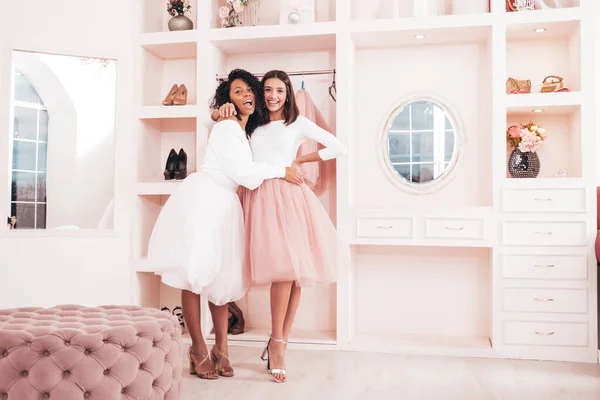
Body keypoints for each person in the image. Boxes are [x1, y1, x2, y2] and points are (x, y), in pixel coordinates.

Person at [147, 69, 303, 380]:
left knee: (220, 281)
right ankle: (198, 349)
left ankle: (222, 347)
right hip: (205, 200)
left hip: (226, 204)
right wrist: (281, 169)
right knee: (195, 277)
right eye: (236, 91)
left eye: (249, 90)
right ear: (226, 99)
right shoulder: (228, 127)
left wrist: (217, 113)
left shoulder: (242, 128)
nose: (245, 94)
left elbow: (223, 136)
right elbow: (243, 173)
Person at [211, 69, 347, 383]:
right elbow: (218, 126)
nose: (273, 96)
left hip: (291, 197)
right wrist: (221, 110)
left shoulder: (297, 123)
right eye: (268, 90)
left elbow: (339, 148)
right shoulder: (252, 121)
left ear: (288, 94)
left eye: (279, 91)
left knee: (293, 274)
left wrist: (300, 161)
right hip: (258, 195)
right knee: (284, 271)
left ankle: (279, 342)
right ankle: (277, 343)